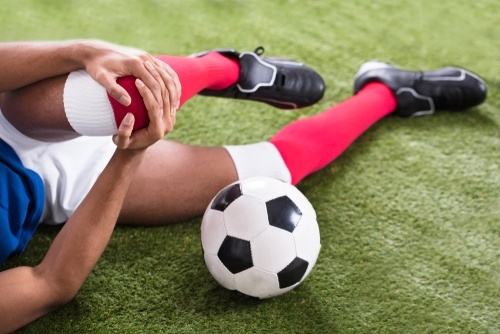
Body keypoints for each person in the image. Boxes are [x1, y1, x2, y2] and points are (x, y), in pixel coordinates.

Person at [0, 40, 487, 332]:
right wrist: (128, 157)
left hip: (16, 113)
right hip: (52, 187)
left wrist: (81, 53)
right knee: (275, 168)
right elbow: (50, 284)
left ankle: (222, 68)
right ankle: (388, 91)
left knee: (128, 98)